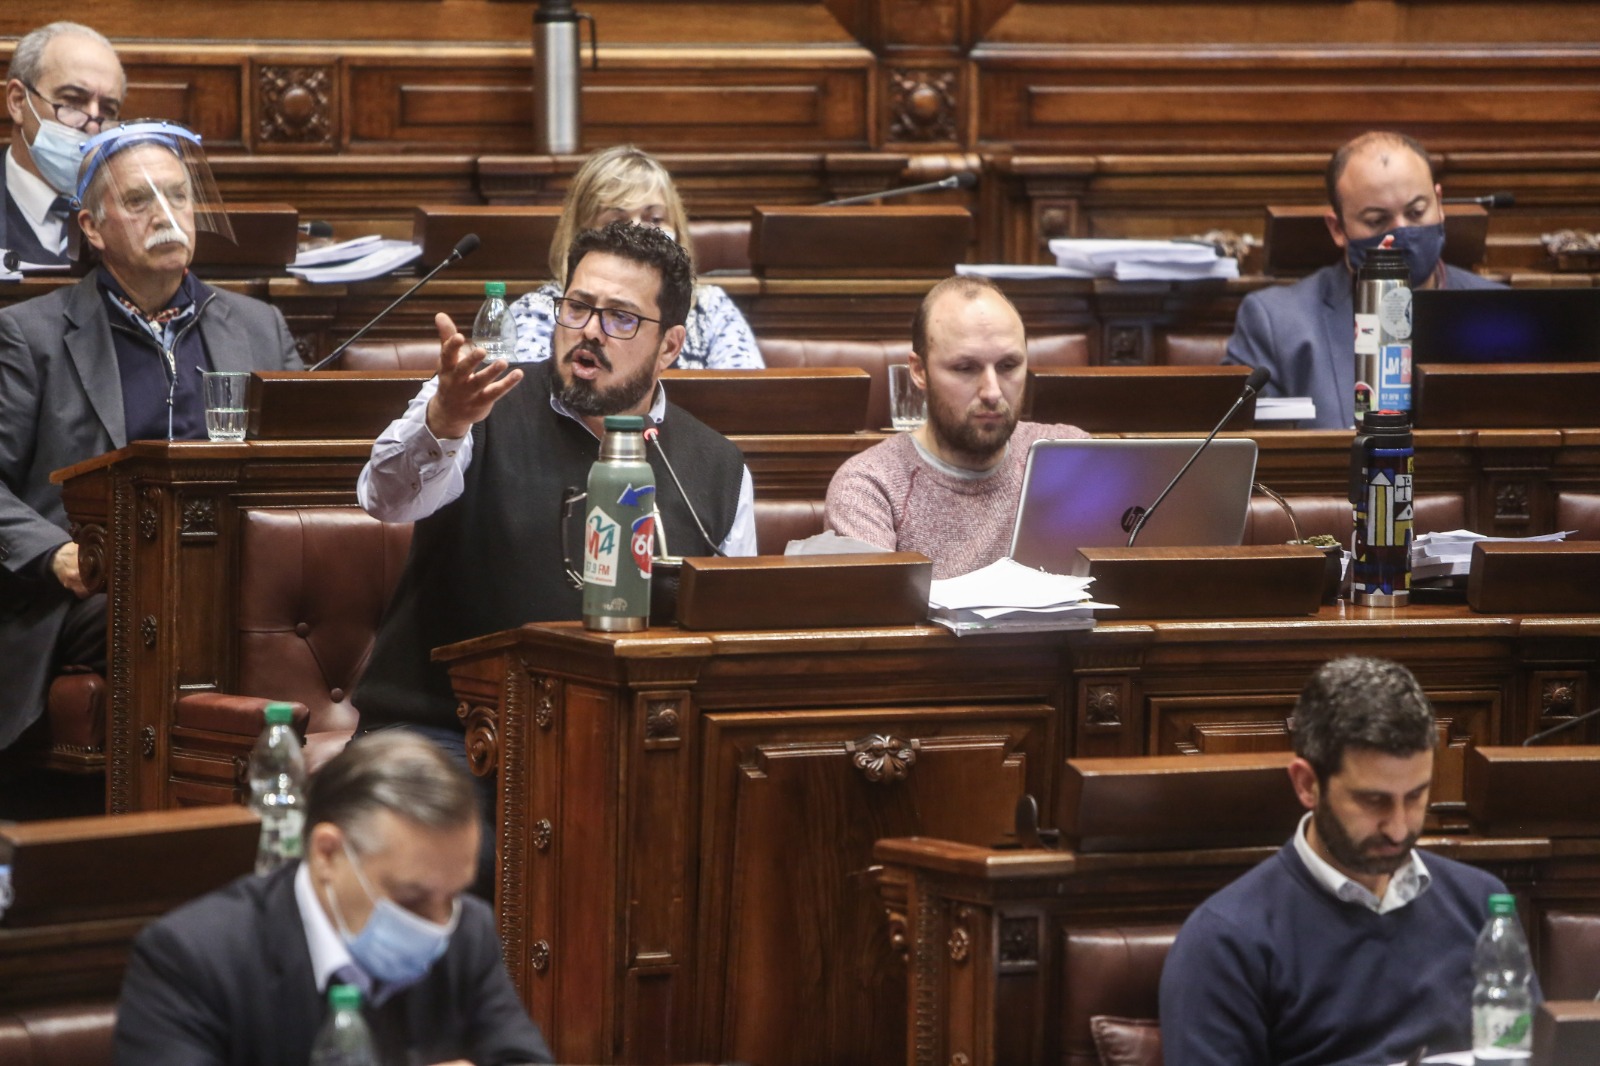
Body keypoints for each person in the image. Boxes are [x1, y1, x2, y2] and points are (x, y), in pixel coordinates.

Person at [352, 221, 754, 876]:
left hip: (619, 748)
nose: (590, 331)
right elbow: (384, 498)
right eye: (578, 307)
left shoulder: (717, 468)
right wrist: (444, 422)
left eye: (621, 317)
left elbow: (726, 639)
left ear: (671, 346)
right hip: (444, 737)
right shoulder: (478, 400)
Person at [0, 120, 301, 750]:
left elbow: (300, 465)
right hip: (95, 590)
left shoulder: (258, 327)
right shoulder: (30, 337)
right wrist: (51, 552)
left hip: (239, 572)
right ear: (91, 227)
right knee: (162, 618)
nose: (167, 214)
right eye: (140, 201)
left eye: (178, 195)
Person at [1159, 657, 1528, 1066]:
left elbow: (1524, 1055)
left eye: (1417, 795)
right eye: (1374, 801)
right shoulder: (1226, 941)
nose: (1398, 828)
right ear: (1307, 785)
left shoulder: (1482, 905)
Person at [114, 730, 554, 1066]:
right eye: (411, 899)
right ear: (327, 853)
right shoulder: (194, 959)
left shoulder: (467, 930)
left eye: (453, 895)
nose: (438, 923)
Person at [1224, 131, 1503, 430]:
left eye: (1417, 211)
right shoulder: (1276, 323)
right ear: (1338, 229)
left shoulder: (1497, 312)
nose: (1400, 232)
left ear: (1440, 203)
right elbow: (1243, 457)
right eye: (1376, 221)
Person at [823, 275, 1087, 579]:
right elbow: (880, 617)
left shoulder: (1071, 454)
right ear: (919, 372)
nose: (992, 392)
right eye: (965, 368)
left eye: (1008, 366)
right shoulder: (869, 486)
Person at [508, 144, 763, 369]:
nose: (638, 232)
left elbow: (745, 403)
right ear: (581, 235)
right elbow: (528, 408)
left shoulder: (712, 308)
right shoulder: (538, 312)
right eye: (617, 221)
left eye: (654, 219)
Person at [3, 22, 124, 268]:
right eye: (72, 101)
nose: (92, 125)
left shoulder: (128, 213)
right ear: (18, 102)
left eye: (107, 110)